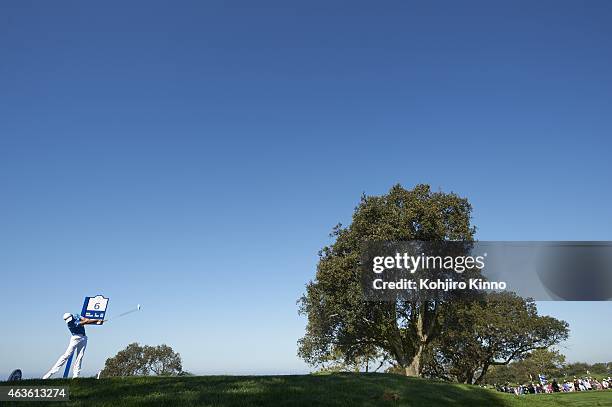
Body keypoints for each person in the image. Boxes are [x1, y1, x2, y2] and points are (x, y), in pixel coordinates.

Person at [42, 313, 102, 379]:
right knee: (66, 356)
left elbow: (85, 320)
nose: (69, 321)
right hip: (75, 338)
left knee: (80, 356)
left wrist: (95, 321)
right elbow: (85, 322)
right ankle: (49, 374)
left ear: (71, 316)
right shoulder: (71, 324)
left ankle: (76, 376)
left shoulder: (76, 315)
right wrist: (97, 320)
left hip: (84, 338)